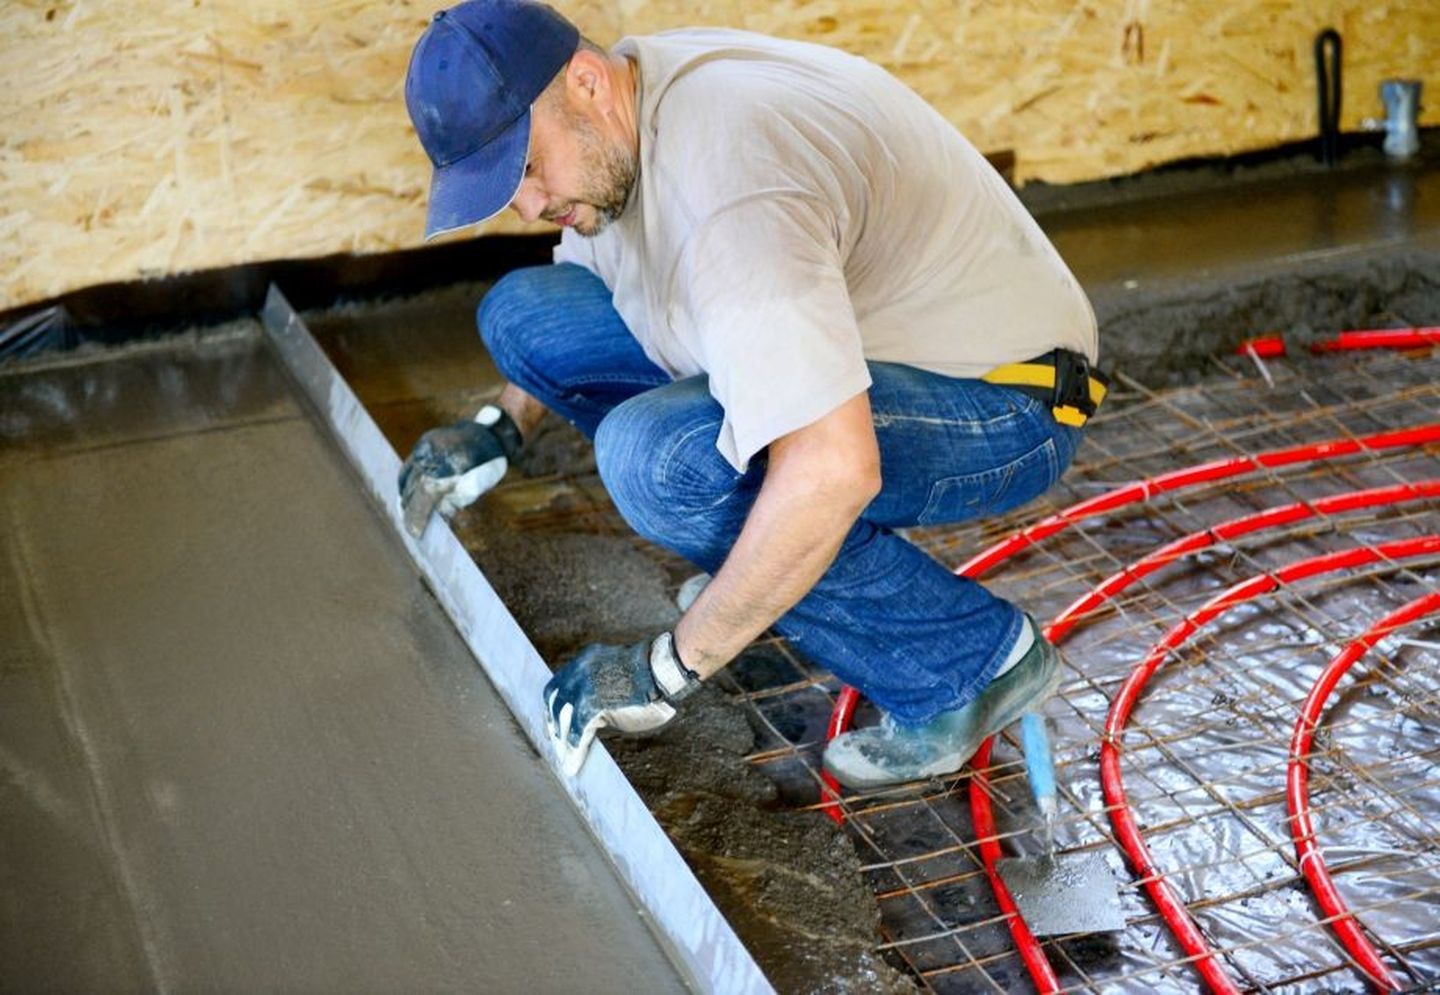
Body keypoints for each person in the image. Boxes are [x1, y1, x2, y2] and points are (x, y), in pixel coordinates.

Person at [398, 0, 1105, 786]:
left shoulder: (732, 186)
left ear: (589, 83)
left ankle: (971, 662)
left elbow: (833, 469)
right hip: (867, 342)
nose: (528, 207)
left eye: (528, 169)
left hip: (1003, 397)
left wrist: (671, 666)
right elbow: (597, 282)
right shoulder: (629, 110)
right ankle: (773, 573)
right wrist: (502, 424)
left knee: (663, 465)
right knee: (524, 317)